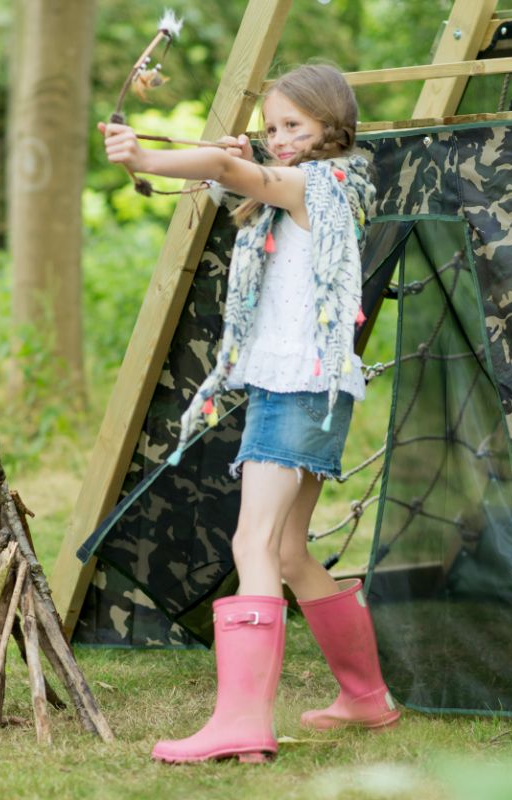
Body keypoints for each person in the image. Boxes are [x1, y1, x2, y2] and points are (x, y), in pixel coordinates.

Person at [100, 63, 399, 765]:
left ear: (332, 124)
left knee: (252, 545)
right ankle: (364, 697)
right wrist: (234, 167)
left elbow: (224, 169)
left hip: (299, 387)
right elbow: (233, 177)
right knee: (288, 551)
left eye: (295, 125)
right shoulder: (322, 186)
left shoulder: (315, 183)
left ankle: (240, 722)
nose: (281, 139)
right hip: (313, 388)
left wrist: (144, 156)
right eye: (273, 128)